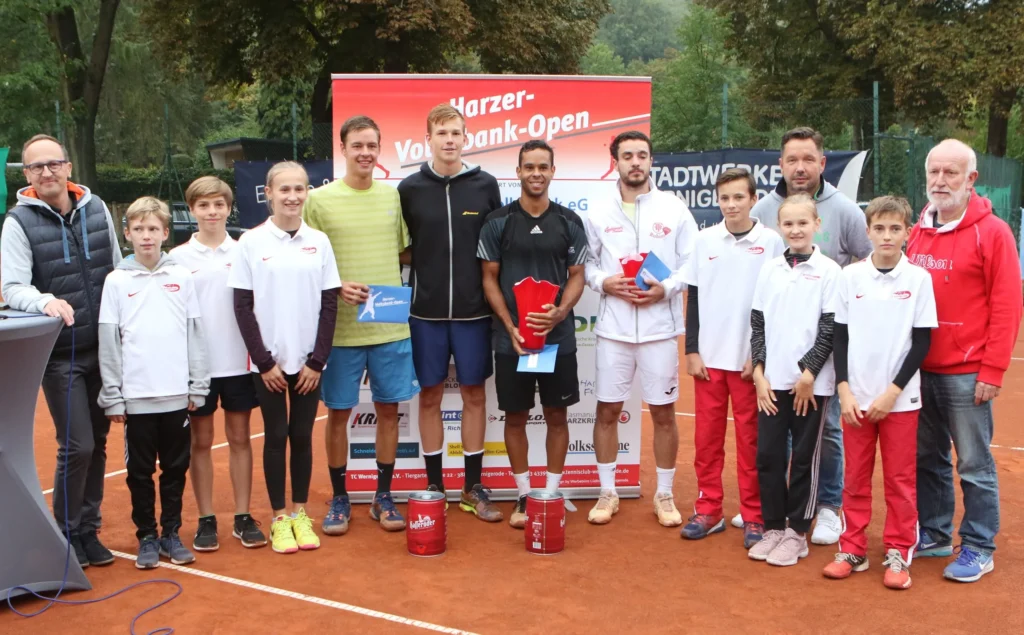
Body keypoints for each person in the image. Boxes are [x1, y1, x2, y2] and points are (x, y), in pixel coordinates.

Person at [1, 134, 121, 568]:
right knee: (78, 445)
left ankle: (89, 531)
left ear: (68, 167)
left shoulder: (97, 208)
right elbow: (11, 287)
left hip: (104, 349)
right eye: (36, 167)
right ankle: (67, 534)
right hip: (59, 354)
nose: (47, 172)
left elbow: (117, 264)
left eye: (53, 164)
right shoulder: (18, 222)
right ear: (27, 175)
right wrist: (43, 301)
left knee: (101, 441)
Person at [907, 139, 1022, 582]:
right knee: (927, 459)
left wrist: (992, 370)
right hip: (919, 371)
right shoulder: (916, 229)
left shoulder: (992, 233)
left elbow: (1008, 306)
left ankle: (978, 544)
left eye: (950, 173)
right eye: (934, 172)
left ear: (971, 179)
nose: (940, 181)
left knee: (973, 464)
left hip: (967, 373)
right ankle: (934, 535)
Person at [749, 127, 872, 544]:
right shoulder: (764, 208)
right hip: (777, 359)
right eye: (791, 160)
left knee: (825, 436)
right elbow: (760, 312)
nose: (799, 167)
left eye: (808, 159)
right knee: (773, 445)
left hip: (822, 358)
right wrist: (761, 363)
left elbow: (868, 265)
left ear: (822, 162)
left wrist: (819, 363)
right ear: (781, 165)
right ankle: (779, 515)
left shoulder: (847, 211)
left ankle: (826, 507)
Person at [303, 116, 420, 534]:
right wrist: (335, 289)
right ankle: (339, 497)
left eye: (372, 145)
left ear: (379, 148)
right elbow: (307, 261)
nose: (365, 153)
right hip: (339, 332)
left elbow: (405, 253)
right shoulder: (319, 201)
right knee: (339, 415)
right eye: (357, 145)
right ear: (344, 149)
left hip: (390, 326)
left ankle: (382, 496)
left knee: (389, 413)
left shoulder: (392, 198)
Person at [582, 130, 697, 528]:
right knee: (608, 410)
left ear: (651, 161)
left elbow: (690, 264)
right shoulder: (598, 210)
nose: (635, 162)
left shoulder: (674, 207)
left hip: (659, 330)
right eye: (627, 155)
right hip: (613, 329)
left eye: (642, 155)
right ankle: (607, 491)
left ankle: (664, 494)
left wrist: (665, 289)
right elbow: (588, 265)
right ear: (615, 161)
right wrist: (603, 282)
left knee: (664, 413)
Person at [822, 196, 937, 590]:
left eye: (895, 228)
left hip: (899, 402)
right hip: (855, 399)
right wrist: (844, 390)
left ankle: (899, 550)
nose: (887, 236)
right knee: (854, 479)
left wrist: (892, 393)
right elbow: (839, 336)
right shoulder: (849, 277)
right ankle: (852, 548)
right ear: (868, 231)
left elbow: (921, 343)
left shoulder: (919, 279)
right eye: (879, 228)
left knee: (900, 480)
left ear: (907, 232)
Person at [398, 104, 504, 522]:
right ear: (428, 137)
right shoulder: (409, 188)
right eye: (441, 132)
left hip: (475, 314)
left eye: (455, 133)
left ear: (466, 137)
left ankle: (471, 486)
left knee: (475, 395)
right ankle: (434, 485)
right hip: (424, 313)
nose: (448, 140)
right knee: (430, 395)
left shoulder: (485, 185)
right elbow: (401, 246)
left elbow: (496, 245)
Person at [230, 162, 340, 554]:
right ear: (269, 193)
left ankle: (300, 513)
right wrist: (264, 363)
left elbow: (330, 306)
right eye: (284, 190)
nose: (292, 196)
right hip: (269, 366)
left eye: (299, 189)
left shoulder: (320, 242)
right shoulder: (250, 242)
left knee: (302, 436)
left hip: (309, 364)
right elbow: (242, 307)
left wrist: (318, 361)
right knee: (275, 437)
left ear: (307, 192)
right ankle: (279, 518)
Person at [478, 140, 587, 529]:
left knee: (557, 415)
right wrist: (510, 326)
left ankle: (551, 491)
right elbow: (489, 279)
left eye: (543, 166)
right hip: (514, 342)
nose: (536, 173)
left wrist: (560, 312)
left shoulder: (570, 222)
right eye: (529, 167)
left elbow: (578, 277)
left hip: (557, 341)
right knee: (516, 416)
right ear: (518, 172)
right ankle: (524, 494)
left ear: (553, 171)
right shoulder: (497, 221)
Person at [97, 197, 210, 569]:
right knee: (140, 473)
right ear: (127, 234)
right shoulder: (116, 281)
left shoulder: (181, 277)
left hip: (177, 397)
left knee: (176, 469)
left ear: (165, 233)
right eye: (139, 229)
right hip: (136, 400)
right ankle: (146, 535)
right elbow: (109, 341)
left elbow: (196, 333)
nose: (147, 236)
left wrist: (198, 385)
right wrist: (113, 396)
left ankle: (171, 533)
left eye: (154, 229)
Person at [680, 168, 784, 547]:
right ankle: (708, 510)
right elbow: (692, 297)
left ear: (754, 199)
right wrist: (692, 349)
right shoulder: (704, 239)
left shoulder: (771, 242)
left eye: (739, 197)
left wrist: (759, 357)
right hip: (708, 362)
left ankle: (754, 516)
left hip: (748, 366)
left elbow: (776, 303)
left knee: (750, 443)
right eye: (725, 198)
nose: (731, 204)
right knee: (706, 442)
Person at [169, 176, 265, 551]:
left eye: (219, 205)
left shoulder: (244, 252)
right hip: (198, 369)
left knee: (241, 439)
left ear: (229, 208)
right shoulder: (176, 258)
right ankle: (206, 518)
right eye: (204, 205)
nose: (212, 212)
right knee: (201, 442)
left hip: (240, 364)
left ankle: (243, 516)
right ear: (192, 210)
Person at [746, 194, 840, 567]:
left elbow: (830, 328)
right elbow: (757, 323)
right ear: (779, 227)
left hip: (810, 387)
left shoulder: (830, 271)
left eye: (803, 223)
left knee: (804, 458)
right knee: (768, 456)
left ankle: (798, 532)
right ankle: (773, 527)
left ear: (817, 224)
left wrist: (808, 375)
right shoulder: (770, 269)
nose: (796, 230)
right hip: (772, 383)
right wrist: (758, 373)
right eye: (788, 224)